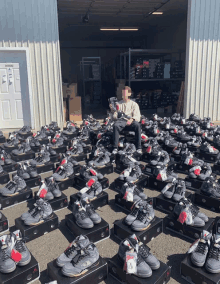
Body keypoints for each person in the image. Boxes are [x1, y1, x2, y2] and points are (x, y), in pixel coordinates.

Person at [110, 86, 142, 155]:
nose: (123, 95)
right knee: (115, 125)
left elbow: (138, 116)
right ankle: (115, 147)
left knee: (138, 125)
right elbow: (114, 117)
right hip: (121, 122)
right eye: (122, 94)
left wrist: (131, 119)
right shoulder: (118, 104)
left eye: (125, 93)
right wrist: (114, 111)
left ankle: (139, 148)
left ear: (129, 94)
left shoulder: (134, 104)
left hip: (131, 121)